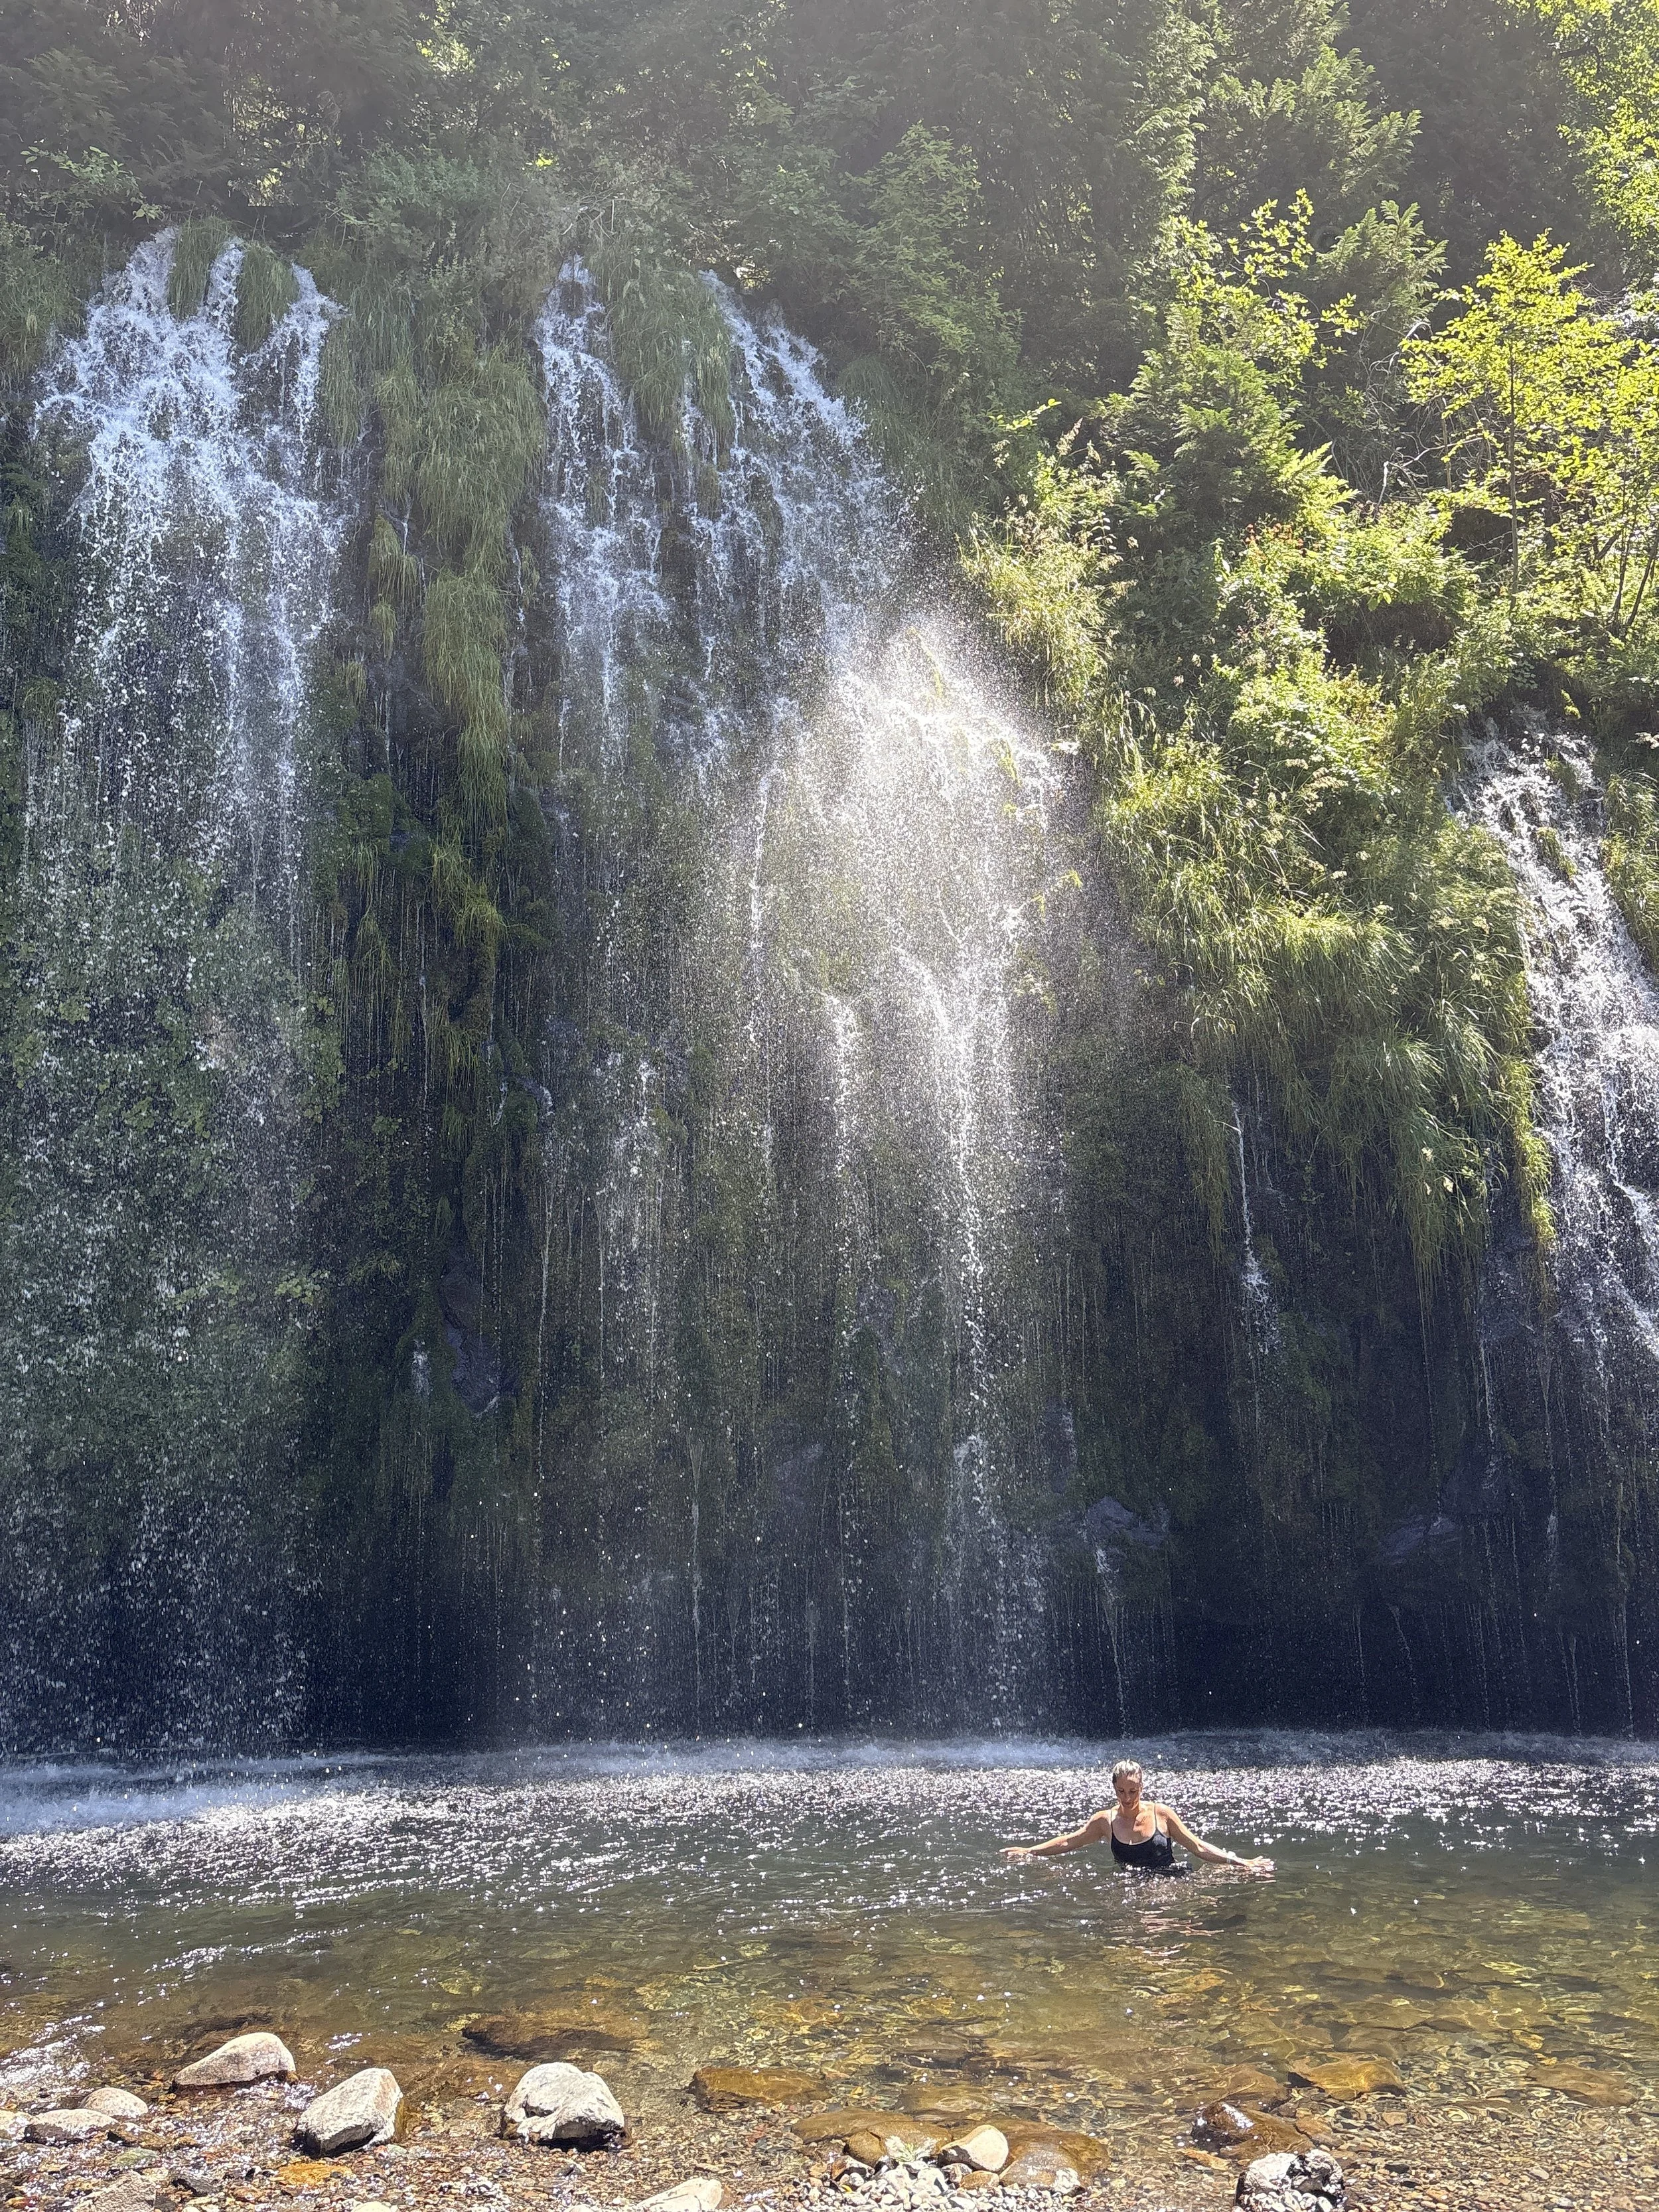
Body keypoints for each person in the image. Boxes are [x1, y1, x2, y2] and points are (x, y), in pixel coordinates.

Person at [1000, 1758, 1274, 1876]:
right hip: (1132, 1886)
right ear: (1114, 1789)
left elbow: (1198, 1847)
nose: (1127, 1798)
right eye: (1121, 1791)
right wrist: (1029, 1852)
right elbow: (1068, 1842)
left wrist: (1239, 1862)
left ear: (1142, 1788)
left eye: (1133, 1791)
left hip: (1171, 1880)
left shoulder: (1162, 1815)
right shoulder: (1105, 1822)